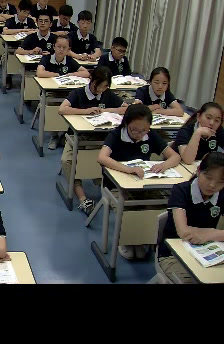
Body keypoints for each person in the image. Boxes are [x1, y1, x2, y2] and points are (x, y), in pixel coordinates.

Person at [97, 103, 181, 259]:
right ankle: (127, 240)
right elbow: (102, 157)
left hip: (143, 185)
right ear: (126, 123)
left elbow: (175, 156)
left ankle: (142, 239)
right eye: (134, 130)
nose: (138, 134)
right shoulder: (116, 135)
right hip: (116, 186)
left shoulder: (150, 135)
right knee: (131, 208)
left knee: (154, 206)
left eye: (144, 130)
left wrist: (163, 165)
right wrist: (127, 169)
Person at [58, 66, 128, 215]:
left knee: (101, 159)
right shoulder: (78, 93)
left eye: (105, 86)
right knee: (67, 161)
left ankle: (104, 185)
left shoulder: (107, 94)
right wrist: (85, 111)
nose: (101, 90)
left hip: (100, 139)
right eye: (99, 85)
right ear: (91, 80)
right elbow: (62, 109)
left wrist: (105, 110)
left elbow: (125, 108)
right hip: (77, 137)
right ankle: (82, 198)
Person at [157, 152, 224, 284]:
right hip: (172, 255)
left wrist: (210, 234)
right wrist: (215, 233)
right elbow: (184, 232)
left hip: (208, 251)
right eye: (208, 177)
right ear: (198, 171)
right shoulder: (181, 190)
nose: (212, 185)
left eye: (221, 182)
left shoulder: (221, 194)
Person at [37, 35, 91, 150]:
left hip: (67, 93)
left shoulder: (70, 61)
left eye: (64, 48)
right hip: (50, 92)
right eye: (59, 46)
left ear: (68, 50)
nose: (61, 50)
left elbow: (86, 73)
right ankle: (54, 135)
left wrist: (71, 74)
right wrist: (59, 75)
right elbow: (40, 73)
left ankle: (64, 133)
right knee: (52, 105)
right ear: (54, 47)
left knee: (75, 104)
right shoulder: (47, 58)